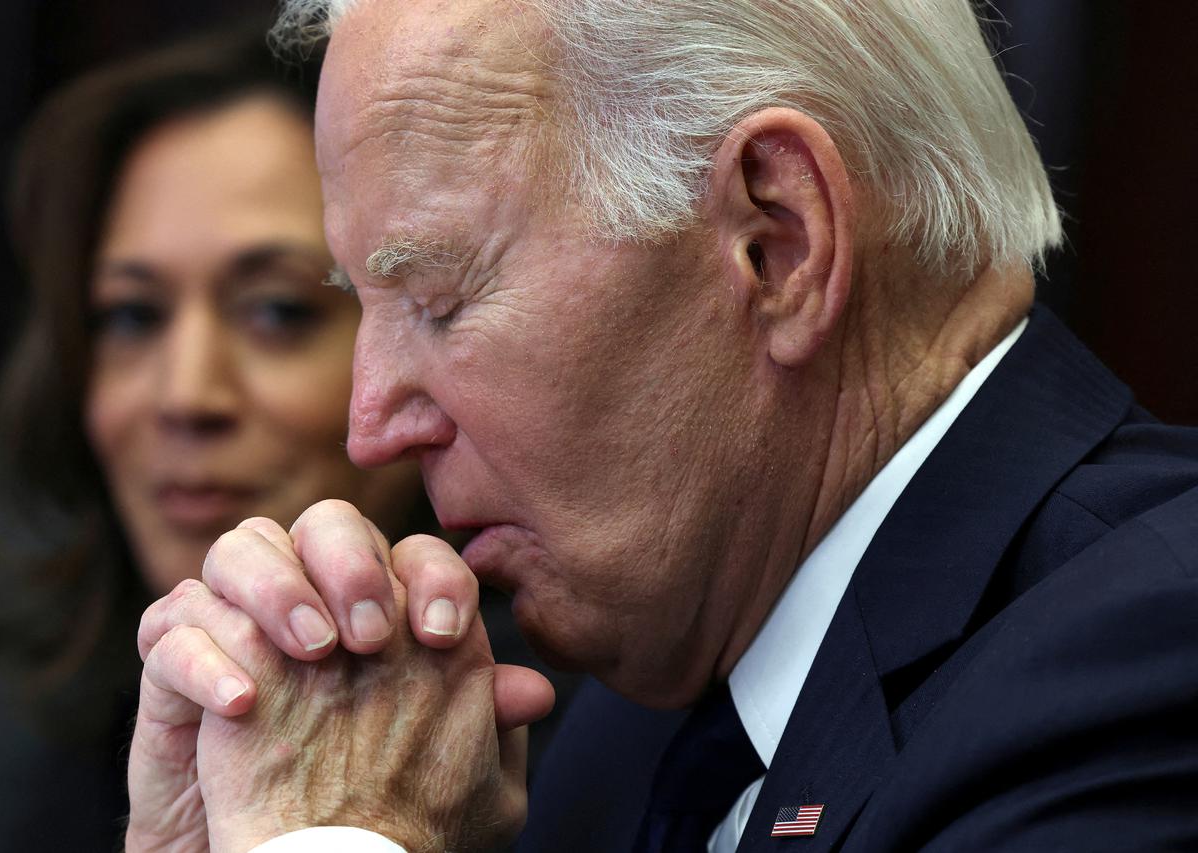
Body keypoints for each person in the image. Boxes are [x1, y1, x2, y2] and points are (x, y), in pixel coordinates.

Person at [124, 1, 1198, 852]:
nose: (370, 429)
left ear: (776, 242)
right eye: (359, 306)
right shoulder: (609, 735)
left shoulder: (1146, 664)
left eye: (441, 300)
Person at [0, 26, 428, 851]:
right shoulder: (10, 765)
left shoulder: (574, 756)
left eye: (278, 311)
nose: (187, 394)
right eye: (132, 315)